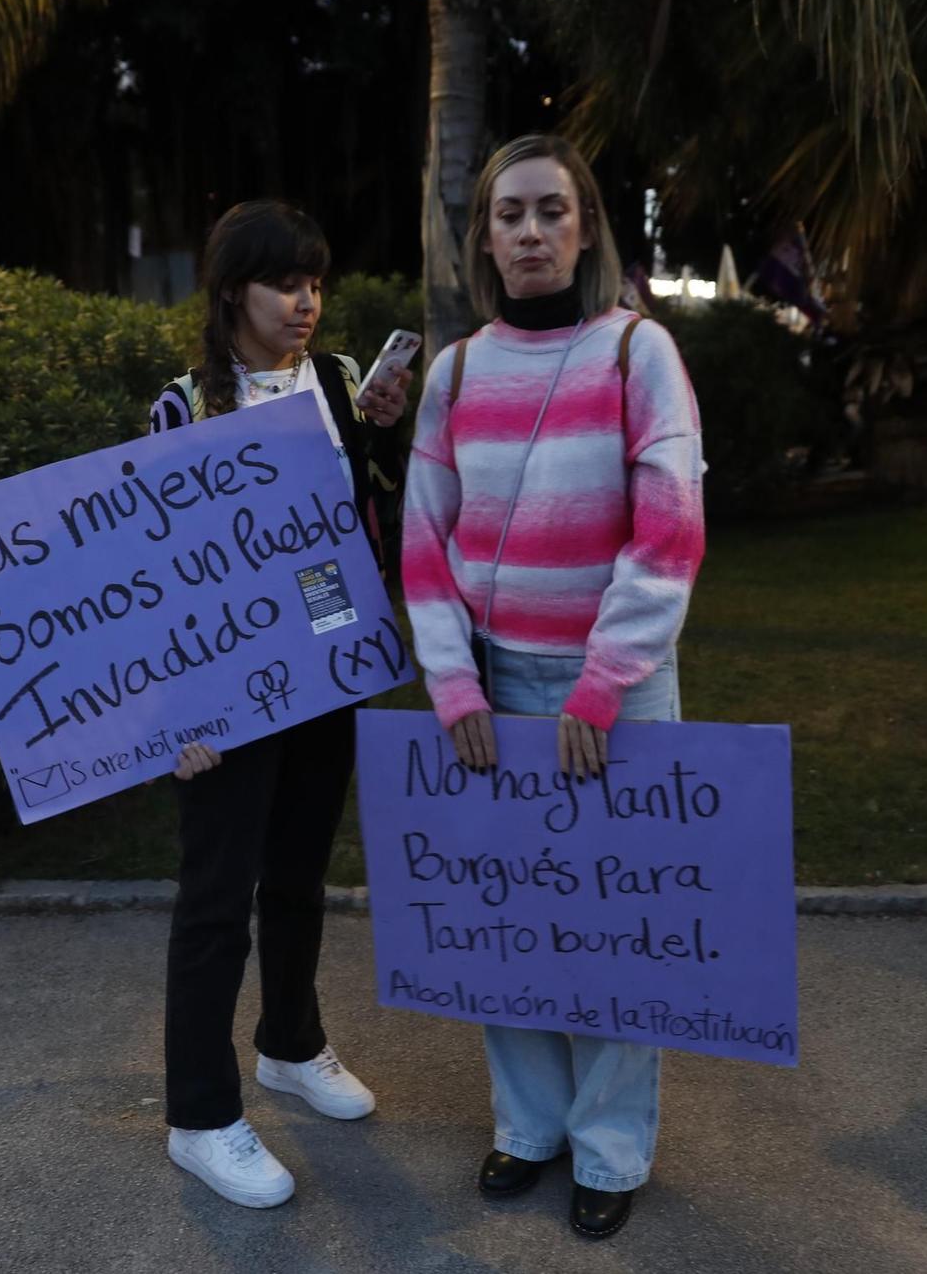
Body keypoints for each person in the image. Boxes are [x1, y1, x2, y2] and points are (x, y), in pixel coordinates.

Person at [400, 134, 706, 1240]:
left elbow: (668, 529)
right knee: (508, 924)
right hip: (490, 692)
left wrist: (604, 682)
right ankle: (528, 1127)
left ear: (584, 229)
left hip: (612, 697)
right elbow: (423, 545)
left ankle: (610, 1146)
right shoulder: (456, 373)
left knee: (619, 930)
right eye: (508, 215)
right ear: (483, 237)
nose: (529, 233)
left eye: (550, 212)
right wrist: (450, 688)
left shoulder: (639, 353)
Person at [147, 200, 410, 1208]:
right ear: (229, 295)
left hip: (325, 665)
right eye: (282, 283)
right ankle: (200, 1116)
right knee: (215, 898)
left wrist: (386, 429)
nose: (303, 301)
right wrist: (180, 717)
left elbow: (369, 512)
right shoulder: (183, 406)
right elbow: (155, 573)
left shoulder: (342, 381)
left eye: (313, 281)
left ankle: (289, 1044)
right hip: (223, 692)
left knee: (297, 875)